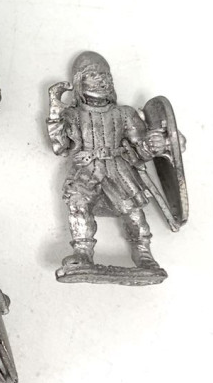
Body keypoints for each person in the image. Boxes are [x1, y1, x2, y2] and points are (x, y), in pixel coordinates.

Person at [47, 51, 168, 272]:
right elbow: (60, 146)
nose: (101, 80)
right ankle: (83, 252)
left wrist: (153, 144)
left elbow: (140, 148)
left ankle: (143, 253)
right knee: (78, 204)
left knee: (133, 211)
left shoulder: (124, 114)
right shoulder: (73, 115)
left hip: (118, 170)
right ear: (79, 81)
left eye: (105, 75)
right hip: (86, 171)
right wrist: (55, 108)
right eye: (93, 75)